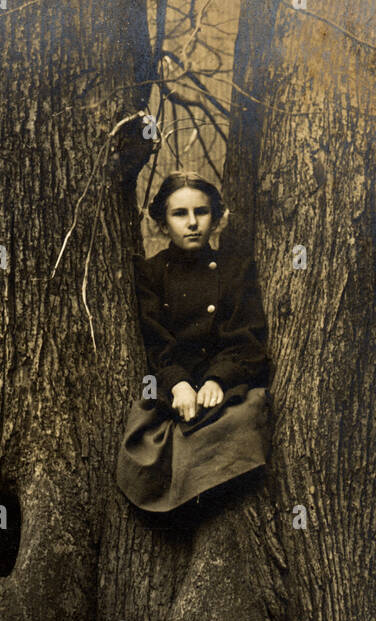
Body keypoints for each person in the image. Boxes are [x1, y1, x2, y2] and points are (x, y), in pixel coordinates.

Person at [116, 172, 271, 517]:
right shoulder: (150, 273)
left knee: (246, 420)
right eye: (179, 214)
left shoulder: (236, 270)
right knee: (147, 443)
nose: (192, 223)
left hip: (224, 390)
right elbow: (154, 339)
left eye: (201, 212)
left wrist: (219, 378)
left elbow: (248, 338)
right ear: (161, 223)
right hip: (173, 391)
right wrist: (178, 383)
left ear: (215, 218)